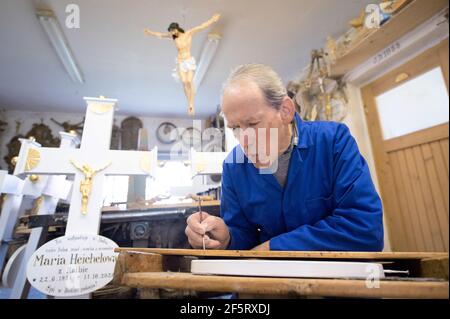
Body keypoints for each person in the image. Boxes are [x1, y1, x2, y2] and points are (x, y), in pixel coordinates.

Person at [185, 63, 384, 251]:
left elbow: (366, 230)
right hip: (268, 282)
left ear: (285, 111)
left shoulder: (333, 142)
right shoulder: (233, 166)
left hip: (336, 280)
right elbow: (245, 239)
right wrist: (226, 238)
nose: (244, 141)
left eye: (253, 123)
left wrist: (276, 247)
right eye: (235, 128)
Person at [144, 14, 220, 115]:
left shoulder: (188, 33)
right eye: (170, 31)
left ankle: (192, 103)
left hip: (188, 61)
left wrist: (212, 20)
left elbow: (201, 26)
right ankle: (189, 104)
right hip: (180, 61)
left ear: (177, 28)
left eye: (172, 30)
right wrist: (150, 32)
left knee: (189, 81)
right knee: (184, 82)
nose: (172, 33)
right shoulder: (174, 37)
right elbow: (161, 35)